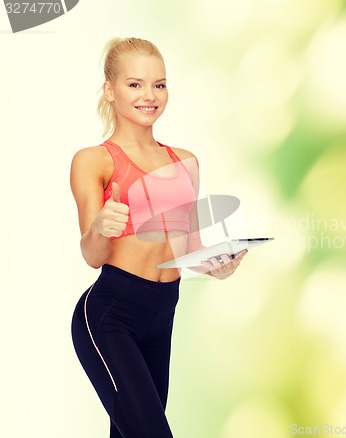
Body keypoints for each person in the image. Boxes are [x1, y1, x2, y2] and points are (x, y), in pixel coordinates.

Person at [70, 37, 247, 438]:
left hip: (162, 314)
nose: (149, 95)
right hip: (110, 315)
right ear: (109, 90)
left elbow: (190, 248)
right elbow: (92, 255)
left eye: (159, 84)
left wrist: (219, 265)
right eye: (134, 84)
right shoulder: (93, 160)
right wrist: (100, 227)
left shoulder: (185, 161)